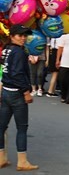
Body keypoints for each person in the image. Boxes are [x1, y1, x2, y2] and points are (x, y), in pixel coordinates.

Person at [0, 25, 38, 170]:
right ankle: (22, 161)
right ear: (12, 36)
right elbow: (17, 73)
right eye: (19, 35)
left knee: (1, 126)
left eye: (24, 36)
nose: (23, 38)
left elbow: (5, 70)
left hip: (6, 91)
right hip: (17, 94)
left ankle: (1, 157)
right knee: (22, 128)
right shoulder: (19, 52)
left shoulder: (6, 50)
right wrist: (26, 92)